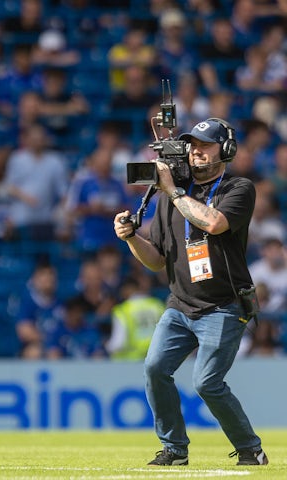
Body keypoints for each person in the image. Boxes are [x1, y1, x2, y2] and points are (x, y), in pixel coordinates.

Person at [113, 118, 269, 467]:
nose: (195, 151)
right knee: (154, 369)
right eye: (192, 145)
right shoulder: (172, 195)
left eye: (205, 145)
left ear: (225, 150)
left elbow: (214, 223)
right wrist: (130, 238)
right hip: (180, 304)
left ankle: (250, 449)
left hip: (225, 305)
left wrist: (173, 190)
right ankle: (174, 449)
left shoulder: (239, 187)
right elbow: (155, 261)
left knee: (207, 383)